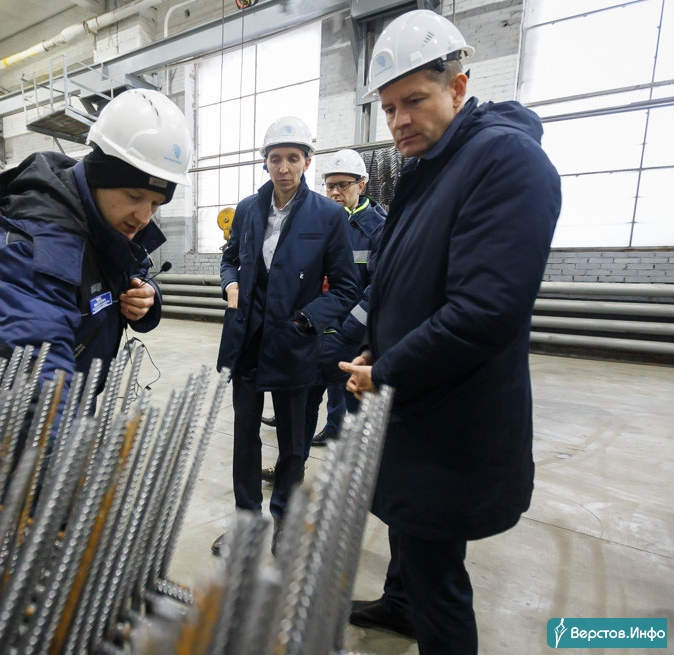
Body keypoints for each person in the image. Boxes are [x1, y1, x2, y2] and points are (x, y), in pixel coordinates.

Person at [337, 10, 561, 654]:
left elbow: (484, 311)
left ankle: (424, 615)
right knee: (413, 539)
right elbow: (405, 279)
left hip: (451, 418)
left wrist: (386, 370)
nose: (398, 120)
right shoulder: (433, 166)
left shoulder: (504, 162)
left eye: (414, 100)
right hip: (415, 403)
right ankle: (399, 603)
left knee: (439, 579)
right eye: (388, 108)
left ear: (458, 86)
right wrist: (376, 345)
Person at [0, 89, 191, 393]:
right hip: (5, 412)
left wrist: (148, 298)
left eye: (156, 204)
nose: (145, 216)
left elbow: (135, 270)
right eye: (135, 196)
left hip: (75, 400)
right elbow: (34, 383)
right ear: (100, 177)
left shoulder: (108, 228)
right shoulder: (31, 249)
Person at [213, 116, 359, 556]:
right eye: (275, 158)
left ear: (306, 162)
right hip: (248, 341)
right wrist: (230, 283)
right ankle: (246, 523)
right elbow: (230, 258)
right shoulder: (246, 210)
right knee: (245, 438)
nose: (283, 167)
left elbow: (346, 287)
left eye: (293, 158)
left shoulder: (328, 216)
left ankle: (285, 523)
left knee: (293, 444)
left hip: (295, 344)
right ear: (265, 162)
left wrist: (307, 321)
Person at [305, 149, 386, 449]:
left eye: (343, 185)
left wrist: (348, 329)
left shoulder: (378, 228)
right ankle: (305, 454)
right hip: (319, 328)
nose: (335, 192)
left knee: (355, 411)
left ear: (361, 185)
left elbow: (378, 288)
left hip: (354, 335)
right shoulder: (319, 222)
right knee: (307, 401)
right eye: (330, 185)